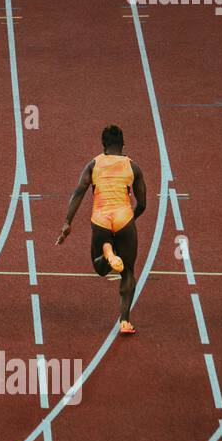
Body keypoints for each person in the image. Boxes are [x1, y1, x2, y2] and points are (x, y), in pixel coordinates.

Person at [56, 125, 147, 336]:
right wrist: (132, 219)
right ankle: (124, 320)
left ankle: (107, 252)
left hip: (100, 220)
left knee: (100, 269)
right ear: (123, 144)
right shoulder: (133, 167)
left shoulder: (93, 165)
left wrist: (67, 222)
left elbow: (78, 193)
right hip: (124, 218)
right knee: (128, 272)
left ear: (103, 145)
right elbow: (142, 203)